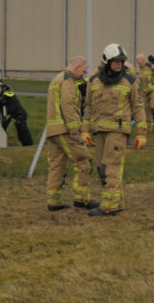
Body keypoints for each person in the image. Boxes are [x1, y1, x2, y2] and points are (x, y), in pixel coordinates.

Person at [82, 44, 147, 217]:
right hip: (100, 131)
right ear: (106, 61)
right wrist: (85, 130)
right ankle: (117, 202)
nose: (119, 65)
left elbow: (138, 108)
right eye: (116, 62)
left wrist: (141, 133)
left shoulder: (130, 82)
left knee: (110, 168)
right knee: (101, 168)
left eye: (121, 62)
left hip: (118, 132)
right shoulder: (94, 82)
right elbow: (88, 107)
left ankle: (108, 207)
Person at [45, 56, 98, 211]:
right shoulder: (68, 80)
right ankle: (82, 199)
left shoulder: (57, 79)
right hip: (65, 130)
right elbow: (68, 105)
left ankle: (53, 201)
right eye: (83, 71)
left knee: (57, 165)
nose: (83, 74)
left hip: (53, 130)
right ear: (76, 68)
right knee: (84, 161)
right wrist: (75, 129)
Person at [0, 80, 33, 146]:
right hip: (16, 116)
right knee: (20, 133)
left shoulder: (8, 93)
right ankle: (26, 145)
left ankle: (29, 145)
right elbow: (0, 104)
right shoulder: (4, 95)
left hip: (20, 115)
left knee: (23, 132)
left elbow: (1, 100)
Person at [135, 54, 154, 135]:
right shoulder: (141, 69)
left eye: (138, 60)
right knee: (146, 111)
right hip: (147, 93)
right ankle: (149, 129)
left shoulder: (150, 66)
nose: (137, 62)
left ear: (143, 59)